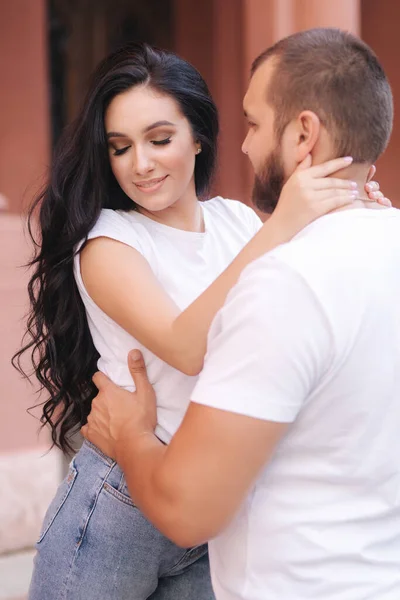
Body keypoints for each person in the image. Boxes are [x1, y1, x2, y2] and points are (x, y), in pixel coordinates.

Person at [15, 42, 385, 600]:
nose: (140, 163)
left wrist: (354, 212)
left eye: (159, 139)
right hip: (120, 503)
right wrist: (282, 224)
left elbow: (302, 286)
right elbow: (185, 347)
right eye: (120, 147)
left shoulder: (236, 220)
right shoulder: (109, 243)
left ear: (198, 137)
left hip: (208, 500)